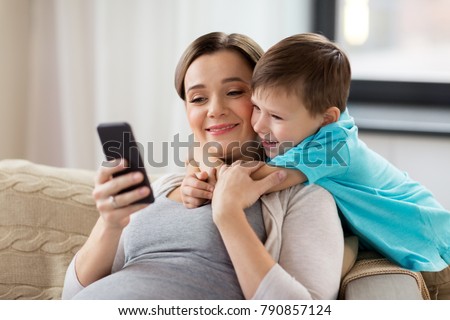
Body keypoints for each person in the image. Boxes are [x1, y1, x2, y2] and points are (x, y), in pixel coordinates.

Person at [61, 32, 344, 300]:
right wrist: (110, 224)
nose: (215, 109)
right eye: (198, 98)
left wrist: (228, 213)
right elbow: (72, 297)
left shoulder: (303, 196)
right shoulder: (165, 187)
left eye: (234, 91)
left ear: (267, 95)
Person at [248, 33, 449, 298]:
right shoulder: (314, 130)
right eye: (256, 107)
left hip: (431, 247)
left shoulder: (333, 149)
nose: (259, 125)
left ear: (326, 118)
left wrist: (206, 163)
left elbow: (256, 179)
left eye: (275, 116)